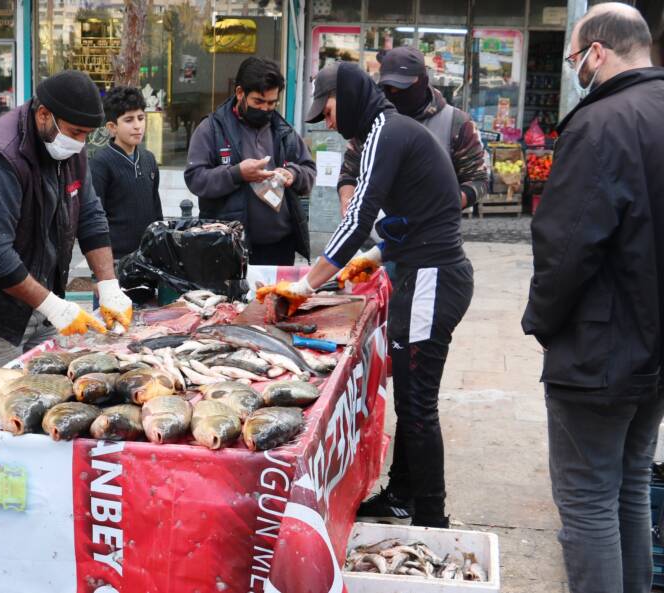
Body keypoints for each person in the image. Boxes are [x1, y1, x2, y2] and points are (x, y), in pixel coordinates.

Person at [258, 62, 474, 528]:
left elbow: (356, 219)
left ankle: (432, 523)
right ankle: (404, 498)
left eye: (329, 110)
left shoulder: (386, 132)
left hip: (432, 280)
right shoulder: (389, 130)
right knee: (412, 401)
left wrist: (304, 285)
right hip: (424, 274)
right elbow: (416, 216)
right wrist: (376, 257)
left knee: (419, 407)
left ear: (351, 96)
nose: (328, 122)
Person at [521, 5, 664, 592]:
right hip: (651, 349)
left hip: (601, 350)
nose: (575, 67)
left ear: (598, 53)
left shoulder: (600, 124)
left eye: (575, 56)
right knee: (628, 486)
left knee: (587, 503)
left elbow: (565, 247)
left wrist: (544, 323)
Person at [0, 70, 132, 372]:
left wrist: (109, 285)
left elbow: (90, 215)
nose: (80, 142)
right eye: (75, 132)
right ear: (44, 115)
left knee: (48, 391)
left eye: (87, 134)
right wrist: (55, 307)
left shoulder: (70, 147)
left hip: (35, 301)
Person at [184, 57, 316, 265]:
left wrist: (293, 173)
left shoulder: (284, 131)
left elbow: (308, 170)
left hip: (279, 247)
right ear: (239, 93)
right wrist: (237, 173)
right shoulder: (212, 129)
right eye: (258, 102)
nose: (265, 109)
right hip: (227, 247)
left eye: (272, 103)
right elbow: (195, 178)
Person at [335, 47, 488, 216]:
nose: (395, 92)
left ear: (423, 80)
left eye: (403, 86)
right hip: (373, 230)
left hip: (433, 235)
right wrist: (348, 202)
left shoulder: (456, 123)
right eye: (390, 87)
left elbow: (478, 180)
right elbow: (349, 173)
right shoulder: (370, 121)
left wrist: (443, 205)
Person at [90, 85, 162, 260]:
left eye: (140, 118)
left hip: (148, 254)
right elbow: (95, 219)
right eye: (129, 120)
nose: (138, 126)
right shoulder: (101, 162)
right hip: (115, 258)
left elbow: (156, 209)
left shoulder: (149, 159)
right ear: (112, 127)